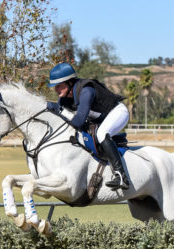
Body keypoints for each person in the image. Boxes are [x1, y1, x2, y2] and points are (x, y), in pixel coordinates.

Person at [46, 62, 130, 190]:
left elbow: (78, 122)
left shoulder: (86, 91)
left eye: (59, 86)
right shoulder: (65, 98)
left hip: (118, 112)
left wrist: (60, 110)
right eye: (55, 86)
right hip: (101, 118)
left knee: (101, 134)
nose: (56, 89)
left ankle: (121, 176)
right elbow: (63, 117)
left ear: (70, 83)